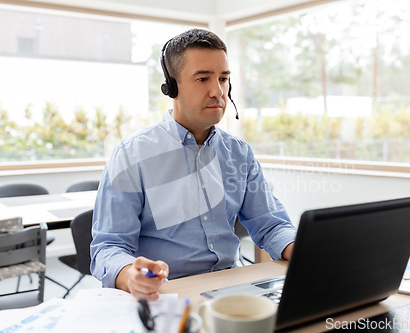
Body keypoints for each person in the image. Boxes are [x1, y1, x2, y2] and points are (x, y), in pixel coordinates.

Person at [90, 28, 297, 301]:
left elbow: (270, 225)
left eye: (224, 79)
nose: (218, 91)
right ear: (171, 87)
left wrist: (307, 250)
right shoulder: (131, 154)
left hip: (229, 288)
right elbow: (109, 247)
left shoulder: (239, 153)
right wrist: (131, 275)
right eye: (203, 78)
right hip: (164, 293)